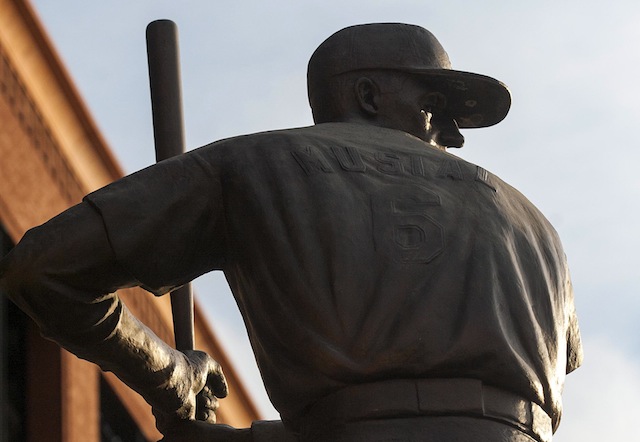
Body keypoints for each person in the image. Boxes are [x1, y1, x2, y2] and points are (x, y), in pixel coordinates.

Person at [0, 23, 582, 442]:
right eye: (435, 107)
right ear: (368, 96)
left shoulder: (249, 166)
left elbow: (42, 271)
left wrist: (166, 370)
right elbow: (449, 416)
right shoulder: (537, 227)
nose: (452, 138)